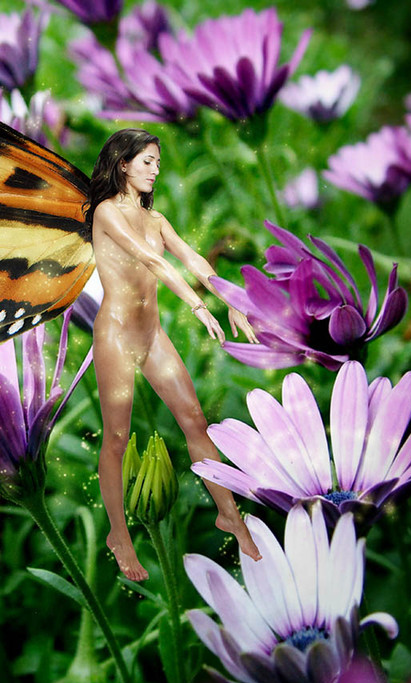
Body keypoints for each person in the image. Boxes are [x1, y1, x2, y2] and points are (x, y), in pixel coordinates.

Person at [86, 128, 262, 581]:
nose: (155, 170)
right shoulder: (106, 212)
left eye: (158, 163)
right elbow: (153, 261)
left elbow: (192, 259)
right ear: (123, 164)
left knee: (195, 421)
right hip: (116, 335)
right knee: (117, 438)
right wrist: (198, 306)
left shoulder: (157, 218)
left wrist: (229, 299)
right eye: (147, 161)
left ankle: (229, 515)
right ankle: (119, 536)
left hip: (152, 335)